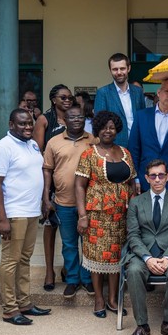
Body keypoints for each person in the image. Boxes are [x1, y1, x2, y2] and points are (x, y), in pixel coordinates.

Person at [0, 109, 51, 325]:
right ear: (11, 124)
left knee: (24, 260)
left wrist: (43, 202)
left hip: (31, 212)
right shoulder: (2, 148)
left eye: (30, 124)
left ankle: (24, 303)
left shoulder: (32, 144)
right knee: (10, 261)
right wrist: (3, 219)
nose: (27, 127)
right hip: (13, 214)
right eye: (22, 124)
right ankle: (9, 309)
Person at [123, 159, 168, 335]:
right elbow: (133, 234)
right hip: (143, 254)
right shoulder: (136, 202)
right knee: (134, 271)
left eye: (161, 175)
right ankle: (142, 326)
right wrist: (148, 258)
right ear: (147, 178)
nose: (157, 179)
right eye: (153, 176)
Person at [75, 111, 137, 318]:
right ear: (97, 130)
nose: (108, 131)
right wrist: (82, 215)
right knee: (97, 255)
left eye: (111, 127)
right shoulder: (89, 154)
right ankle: (99, 299)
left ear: (116, 129)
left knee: (116, 257)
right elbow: (79, 186)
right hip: (97, 215)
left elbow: (132, 183)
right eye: (104, 127)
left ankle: (112, 298)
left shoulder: (125, 152)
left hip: (121, 215)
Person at [42, 104, 97, 296]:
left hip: (89, 204)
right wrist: (46, 197)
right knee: (69, 243)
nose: (77, 120)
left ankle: (88, 279)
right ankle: (72, 279)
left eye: (80, 117)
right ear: (64, 121)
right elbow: (47, 169)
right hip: (63, 202)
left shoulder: (92, 140)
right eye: (72, 117)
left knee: (88, 243)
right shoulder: (54, 142)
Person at [33, 84, 73, 293]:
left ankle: (69, 267)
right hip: (50, 179)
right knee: (50, 226)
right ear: (53, 99)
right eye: (63, 97)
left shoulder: (75, 118)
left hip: (71, 182)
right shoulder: (44, 120)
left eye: (70, 97)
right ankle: (50, 270)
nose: (67, 100)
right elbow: (37, 150)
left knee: (70, 228)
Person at [93, 52, 146, 147]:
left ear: (128, 68)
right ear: (110, 70)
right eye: (115, 69)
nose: (119, 72)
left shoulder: (138, 92)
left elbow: (143, 119)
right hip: (113, 146)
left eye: (122, 68)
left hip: (137, 144)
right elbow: (99, 124)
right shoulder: (103, 93)